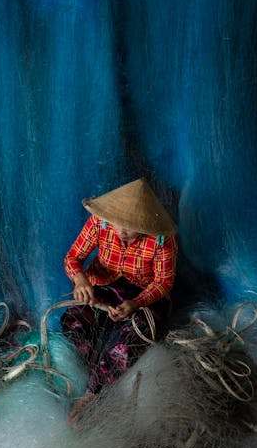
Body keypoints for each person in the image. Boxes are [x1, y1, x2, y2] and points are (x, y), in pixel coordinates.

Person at [61, 178, 178, 423]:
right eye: (117, 222)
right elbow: (73, 257)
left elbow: (163, 283)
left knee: (138, 334)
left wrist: (136, 303)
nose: (121, 230)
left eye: (130, 226)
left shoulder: (161, 240)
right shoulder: (99, 222)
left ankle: (95, 389)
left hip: (142, 294)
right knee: (72, 320)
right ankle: (86, 365)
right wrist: (80, 281)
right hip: (104, 286)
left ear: (144, 224)